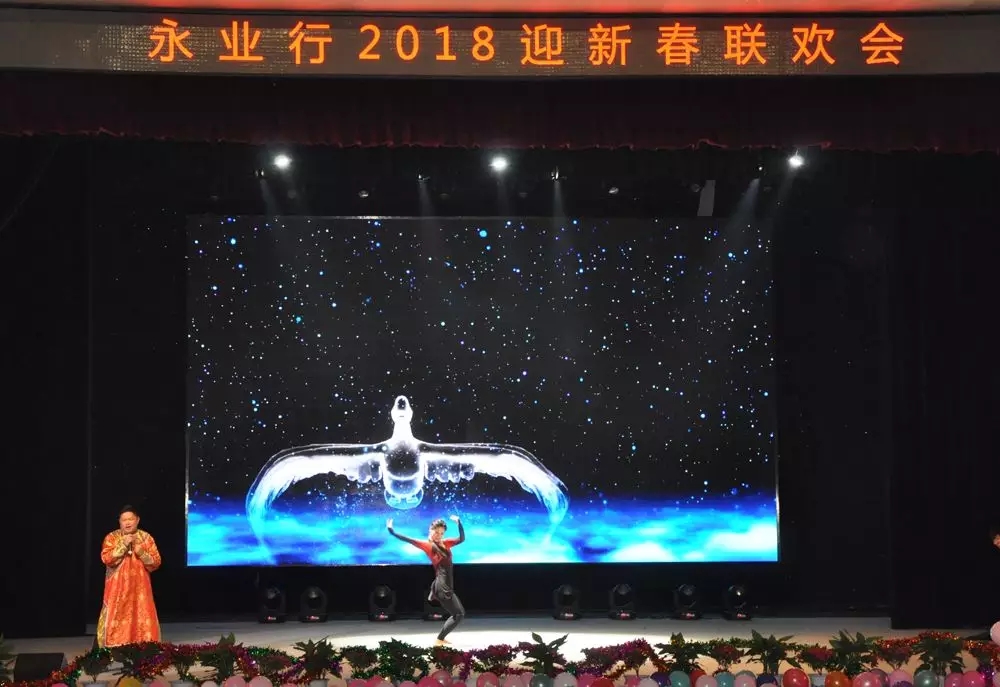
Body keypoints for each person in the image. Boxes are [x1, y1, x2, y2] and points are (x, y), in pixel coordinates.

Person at [387, 515, 466, 645]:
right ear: (430, 530)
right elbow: (408, 539)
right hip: (443, 586)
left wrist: (459, 522)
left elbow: (462, 539)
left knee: (457, 613)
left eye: (441, 533)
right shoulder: (427, 545)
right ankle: (439, 640)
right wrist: (391, 530)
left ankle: (433, 591)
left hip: (443, 583)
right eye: (436, 532)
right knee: (459, 614)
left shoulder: (446, 543)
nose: (439, 535)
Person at [96, 505, 162, 647]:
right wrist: (123, 546)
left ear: (137, 520)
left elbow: (156, 562)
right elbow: (107, 559)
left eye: (130, 519)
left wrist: (141, 552)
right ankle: (114, 649)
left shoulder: (146, 538)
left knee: (142, 619)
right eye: (124, 520)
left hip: (140, 591)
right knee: (116, 619)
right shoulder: (112, 538)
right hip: (117, 590)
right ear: (119, 522)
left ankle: (145, 651)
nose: (127, 523)